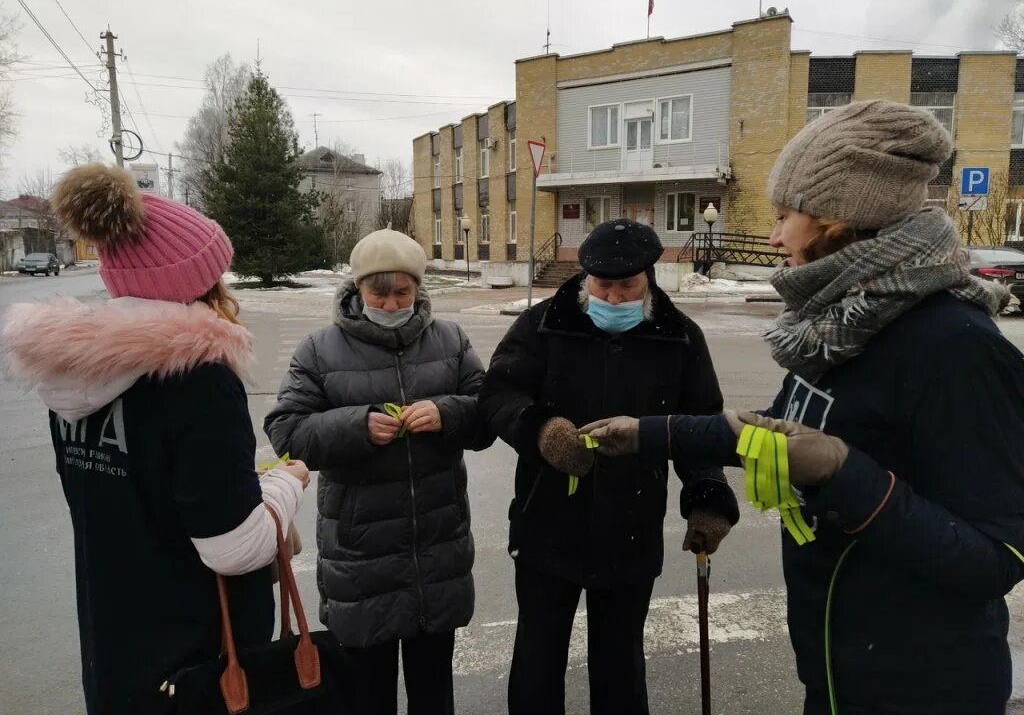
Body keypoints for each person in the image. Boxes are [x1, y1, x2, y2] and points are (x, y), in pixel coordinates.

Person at [582, 100, 1024, 715]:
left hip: (922, 684)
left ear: (840, 220)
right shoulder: (846, 325)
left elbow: (996, 558)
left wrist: (846, 474)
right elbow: (773, 431)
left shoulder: (956, 346)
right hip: (838, 664)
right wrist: (648, 434)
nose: (772, 235)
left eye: (785, 215)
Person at [0, 164, 310, 715]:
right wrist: (286, 484)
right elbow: (234, 547)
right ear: (198, 282)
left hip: (114, 647)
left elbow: (133, 496)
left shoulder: (69, 371)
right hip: (204, 662)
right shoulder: (199, 378)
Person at [478, 219, 739, 715]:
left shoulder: (679, 336)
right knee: (537, 659)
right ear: (585, 280)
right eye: (604, 286)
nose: (615, 299)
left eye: (628, 287)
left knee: (621, 665)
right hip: (545, 525)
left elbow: (700, 427)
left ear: (649, 280)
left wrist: (707, 495)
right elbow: (497, 395)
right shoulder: (541, 325)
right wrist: (542, 431)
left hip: (631, 528)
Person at [264, 228, 491, 715]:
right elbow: (287, 431)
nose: (390, 305)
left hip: (437, 545)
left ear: (418, 289)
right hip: (360, 554)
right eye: (378, 293)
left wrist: (448, 413)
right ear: (357, 290)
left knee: (434, 692)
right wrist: (358, 426)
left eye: (401, 293)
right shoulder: (320, 349)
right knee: (367, 695)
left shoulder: (450, 340)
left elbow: (489, 412)